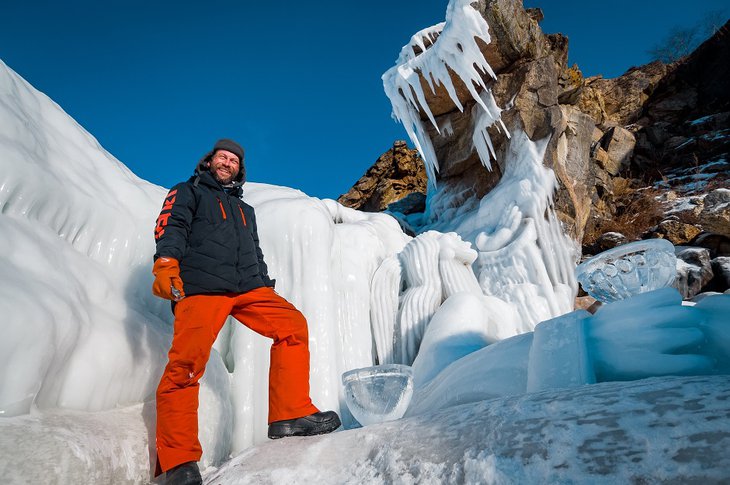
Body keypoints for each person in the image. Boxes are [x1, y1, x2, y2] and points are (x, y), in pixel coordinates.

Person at [151, 139, 340, 484]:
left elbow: (254, 250)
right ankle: (178, 461)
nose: (227, 162)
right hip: (202, 286)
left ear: (240, 169)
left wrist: (264, 283)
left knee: (292, 326)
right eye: (222, 157)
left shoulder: (245, 211)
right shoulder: (188, 192)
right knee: (186, 365)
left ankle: (290, 413)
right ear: (208, 161)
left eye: (234, 160)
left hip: (248, 288)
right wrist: (166, 262)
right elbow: (171, 226)